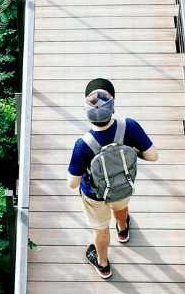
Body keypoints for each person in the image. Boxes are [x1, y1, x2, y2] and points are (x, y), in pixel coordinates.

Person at [67, 78, 159, 279]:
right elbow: (153, 156)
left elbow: (73, 183)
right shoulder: (130, 127)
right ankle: (123, 230)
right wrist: (133, 152)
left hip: (95, 195)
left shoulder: (82, 145)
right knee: (120, 206)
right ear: (113, 109)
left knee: (100, 229)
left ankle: (103, 265)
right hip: (122, 186)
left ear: (86, 113)